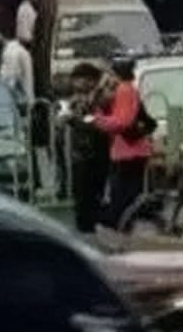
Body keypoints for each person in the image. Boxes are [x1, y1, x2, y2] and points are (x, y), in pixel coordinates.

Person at [89, 56, 155, 231]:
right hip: (127, 151)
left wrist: (98, 120)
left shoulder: (124, 90)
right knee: (125, 196)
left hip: (129, 152)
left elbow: (122, 121)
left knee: (123, 198)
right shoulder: (124, 90)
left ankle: (123, 229)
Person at [59, 62, 113, 235]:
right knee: (82, 196)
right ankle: (87, 228)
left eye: (79, 80)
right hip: (82, 154)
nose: (75, 85)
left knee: (89, 197)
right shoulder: (83, 97)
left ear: (89, 80)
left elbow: (93, 122)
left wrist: (73, 119)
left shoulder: (100, 98)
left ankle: (90, 230)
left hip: (95, 153)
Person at [0, 32, 34, 112]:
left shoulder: (9, 51)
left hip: (19, 96)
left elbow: (10, 79)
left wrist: (18, 100)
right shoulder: (21, 50)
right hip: (26, 91)